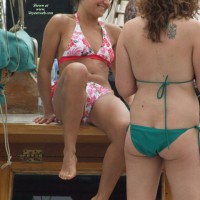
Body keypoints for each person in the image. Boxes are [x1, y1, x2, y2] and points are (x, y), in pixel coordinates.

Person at [34, 0, 130, 199]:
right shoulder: (60, 22)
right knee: (78, 70)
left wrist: (138, 105)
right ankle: (69, 152)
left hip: (100, 95)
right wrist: (48, 110)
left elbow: (121, 80)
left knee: (125, 128)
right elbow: (43, 69)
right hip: (67, 92)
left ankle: (102, 196)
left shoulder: (115, 32)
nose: (106, 2)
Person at [115, 0, 200, 199]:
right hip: (181, 130)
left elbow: (125, 88)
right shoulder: (194, 29)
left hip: (140, 129)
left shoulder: (128, 30)